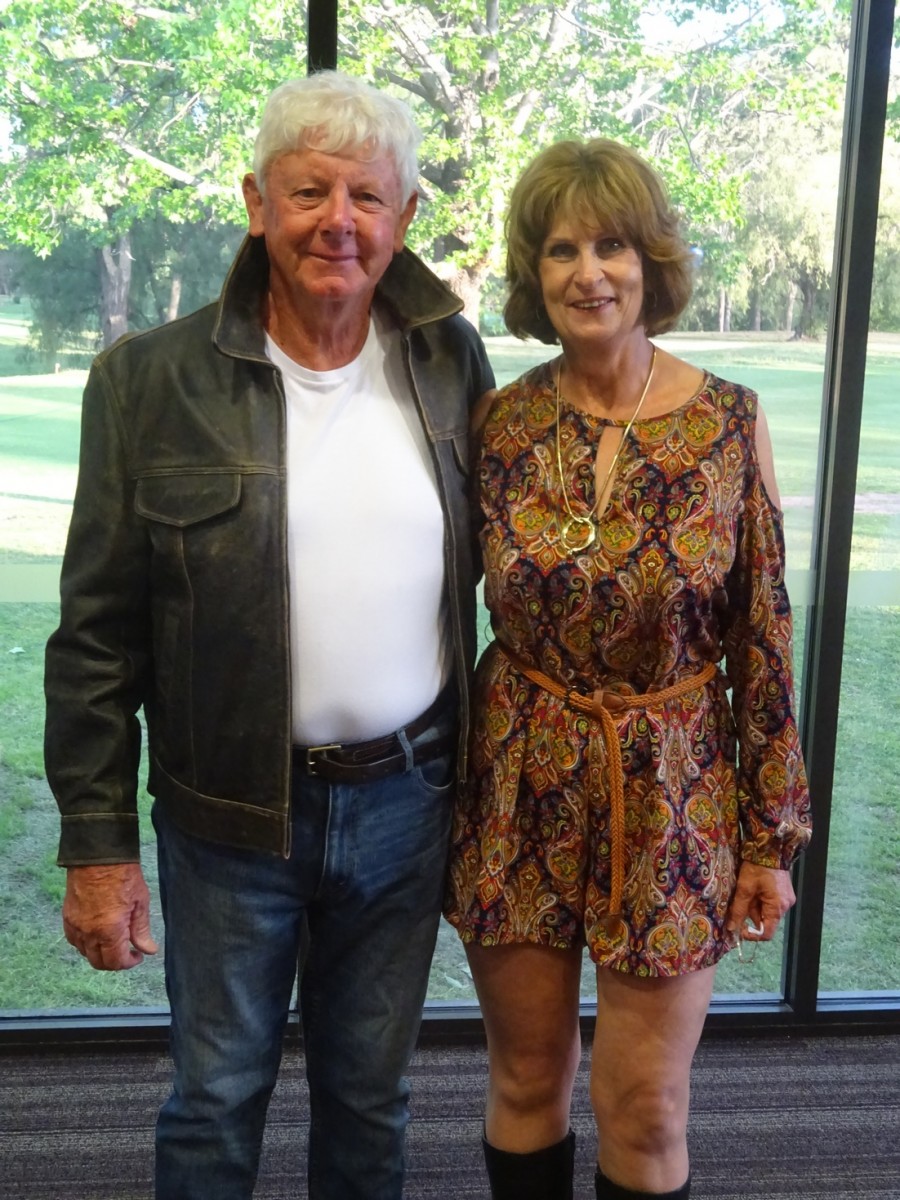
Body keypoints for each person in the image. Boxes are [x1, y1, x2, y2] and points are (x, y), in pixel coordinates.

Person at [44, 70, 495, 1200]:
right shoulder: (148, 382)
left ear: (403, 217)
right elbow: (96, 638)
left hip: (408, 807)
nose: (338, 221)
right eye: (308, 191)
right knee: (215, 1098)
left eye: (367, 196)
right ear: (256, 203)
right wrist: (98, 848)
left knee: (370, 1101)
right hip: (228, 818)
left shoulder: (449, 363)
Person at [445, 138, 812, 1200]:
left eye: (611, 245)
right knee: (526, 1078)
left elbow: (764, 638)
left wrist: (770, 838)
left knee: (647, 1105)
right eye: (561, 250)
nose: (588, 273)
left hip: (673, 786)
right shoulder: (501, 423)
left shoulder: (731, 420)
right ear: (535, 273)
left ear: (651, 261)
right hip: (518, 778)